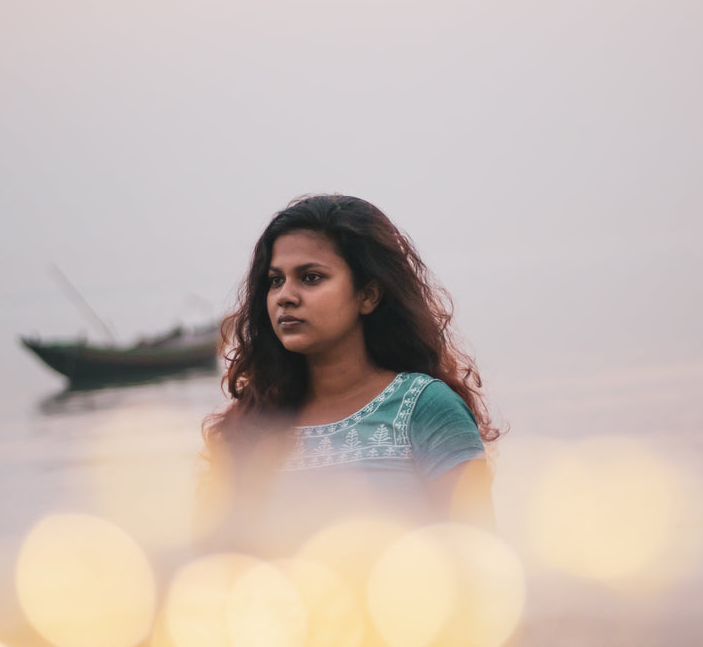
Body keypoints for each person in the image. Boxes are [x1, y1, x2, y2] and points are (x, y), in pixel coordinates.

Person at [200, 194, 502, 554]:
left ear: (368, 295)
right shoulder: (253, 423)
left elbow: (480, 563)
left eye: (311, 278)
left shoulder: (426, 409)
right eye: (275, 280)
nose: (285, 296)